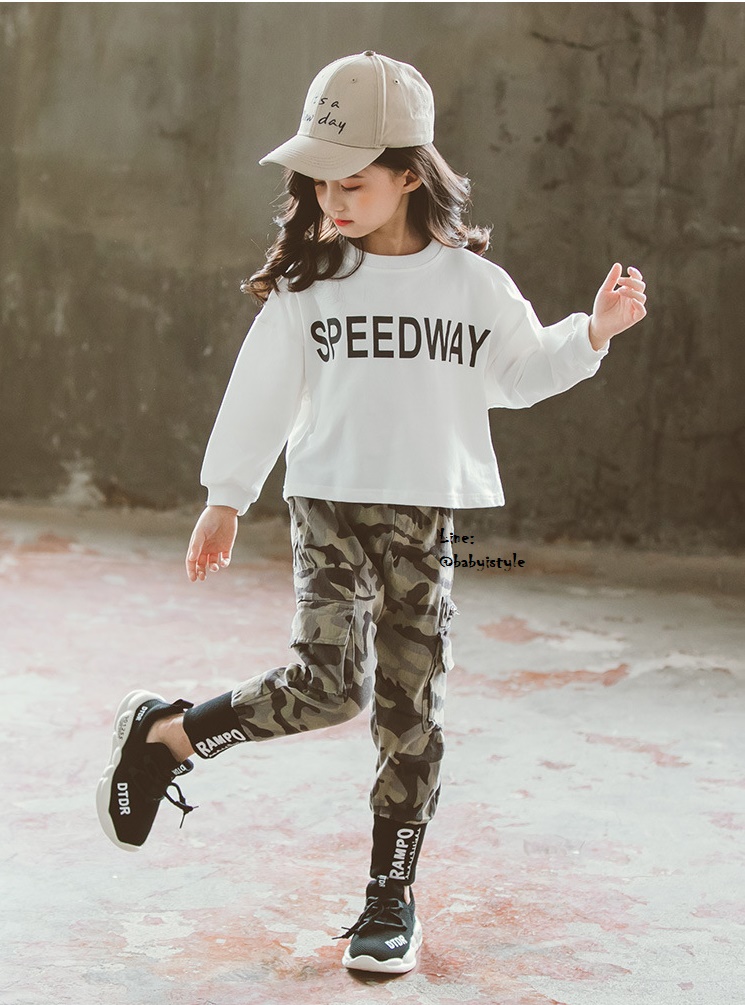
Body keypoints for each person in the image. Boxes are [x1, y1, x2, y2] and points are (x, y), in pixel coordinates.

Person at [96, 51, 647, 975]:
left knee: (411, 709)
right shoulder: (311, 286)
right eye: (318, 184)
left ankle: (389, 895)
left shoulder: (473, 287)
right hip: (329, 508)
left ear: (409, 175)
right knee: (329, 686)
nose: (331, 201)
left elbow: (519, 374)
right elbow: (260, 392)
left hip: (426, 516)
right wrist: (225, 497)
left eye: (351, 182)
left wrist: (592, 332)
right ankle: (167, 737)